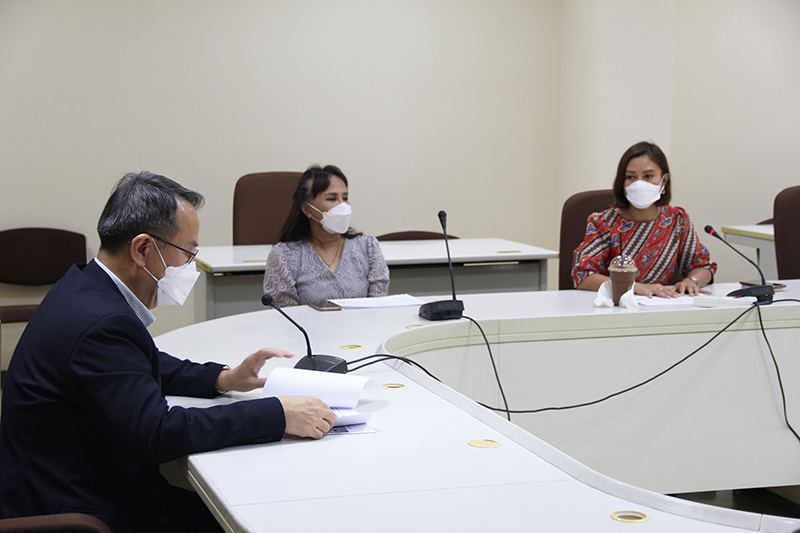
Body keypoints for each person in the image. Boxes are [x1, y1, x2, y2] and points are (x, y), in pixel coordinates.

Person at [0, 172, 336, 533]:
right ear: (143, 249)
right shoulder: (101, 323)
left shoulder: (84, 286)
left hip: (80, 484)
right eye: (188, 252)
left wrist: (222, 377)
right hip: (80, 511)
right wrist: (277, 413)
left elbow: (135, 363)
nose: (190, 266)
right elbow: (158, 433)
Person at [572, 141, 716, 298]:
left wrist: (692, 281)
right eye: (631, 177)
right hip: (613, 305)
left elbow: (703, 266)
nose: (639, 184)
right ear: (622, 183)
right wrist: (635, 287)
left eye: (648, 176)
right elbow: (583, 276)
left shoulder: (677, 219)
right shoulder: (604, 222)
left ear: (664, 180)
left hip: (660, 306)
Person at [263, 165, 390, 307]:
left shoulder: (368, 247)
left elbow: (378, 308)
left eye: (345, 198)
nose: (343, 206)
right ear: (307, 210)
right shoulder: (284, 255)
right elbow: (285, 317)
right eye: (331, 199)